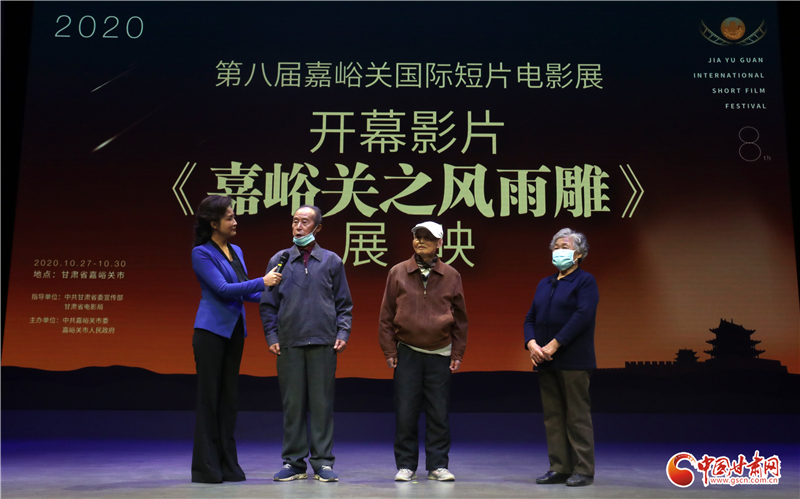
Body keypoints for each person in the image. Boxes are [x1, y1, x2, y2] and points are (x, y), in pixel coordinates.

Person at [190, 195, 282, 483]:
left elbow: (246, 292)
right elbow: (222, 289)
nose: (235, 221)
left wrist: (280, 297)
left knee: (228, 400)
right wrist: (263, 281)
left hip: (234, 332)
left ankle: (228, 465)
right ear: (213, 223)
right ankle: (206, 468)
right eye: (229, 217)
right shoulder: (201, 253)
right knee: (209, 399)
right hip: (210, 333)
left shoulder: (236, 250)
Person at [260, 205, 353, 483]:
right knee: (293, 406)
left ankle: (323, 463)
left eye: (305, 222)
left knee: (322, 405)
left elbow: (344, 303)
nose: (298, 227)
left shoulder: (331, 261)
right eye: (295, 222)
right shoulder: (279, 259)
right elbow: (268, 304)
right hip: (289, 342)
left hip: (324, 342)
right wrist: (272, 336)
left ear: (317, 228)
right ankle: (293, 462)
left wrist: (343, 331)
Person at [378, 221, 468, 482]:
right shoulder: (398, 272)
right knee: (405, 412)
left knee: (438, 413)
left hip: (440, 353)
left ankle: (438, 465)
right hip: (407, 351)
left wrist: (457, 353)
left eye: (427, 237)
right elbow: (386, 314)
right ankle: (406, 465)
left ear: (439, 243)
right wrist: (389, 350)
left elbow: (461, 319)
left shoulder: (451, 275)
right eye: (417, 236)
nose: (420, 241)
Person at [524, 228, 599, 487]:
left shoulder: (585, 281)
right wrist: (532, 344)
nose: (558, 251)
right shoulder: (545, 283)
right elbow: (530, 317)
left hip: (574, 360)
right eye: (555, 247)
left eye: (564, 247)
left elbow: (582, 316)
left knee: (577, 416)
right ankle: (559, 467)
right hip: (545, 360)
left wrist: (554, 345)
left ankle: (583, 469)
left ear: (578, 254)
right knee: (553, 417)